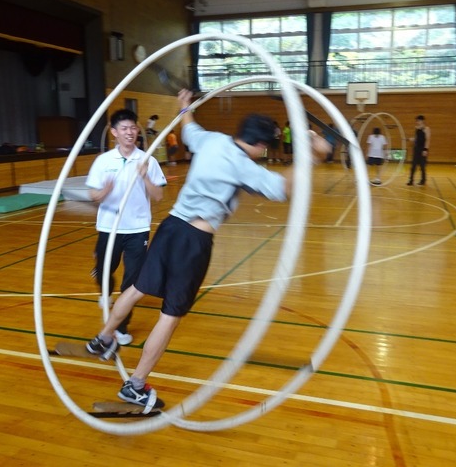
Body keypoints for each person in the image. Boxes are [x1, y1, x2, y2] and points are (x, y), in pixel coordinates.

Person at [84, 89, 331, 412]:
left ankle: (103, 338)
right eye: (263, 149)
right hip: (193, 242)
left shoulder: (213, 140)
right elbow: (284, 188)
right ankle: (136, 385)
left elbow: (189, 129)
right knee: (170, 316)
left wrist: (185, 106)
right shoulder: (244, 165)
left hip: (170, 228)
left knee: (136, 289)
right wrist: (311, 155)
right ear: (258, 146)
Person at [86, 109, 166, 346]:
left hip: (137, 229)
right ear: (114, 133)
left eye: (133, 128)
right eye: (124, 128)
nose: (130, 132)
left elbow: (159, 196)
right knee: (103, 271)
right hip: (108, 227)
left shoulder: (147, 160)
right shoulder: (103, 161)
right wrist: (104, 192)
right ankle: (104, 289)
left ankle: (120, 327)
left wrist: (145, 178)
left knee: (131, 281)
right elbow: (93, 194)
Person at [407, 115, 430, 186]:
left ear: (422, 121)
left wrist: (425, 150)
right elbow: (416, 139)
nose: (417, 122)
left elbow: (427, 140)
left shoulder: (426, 129)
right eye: (416, 121)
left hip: (423, 149)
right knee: (413, 165)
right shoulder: (417, 129)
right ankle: (411, 180)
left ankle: (423, 180)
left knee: (422, 166)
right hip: (416, 149)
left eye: (418, 120)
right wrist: (410, 139)